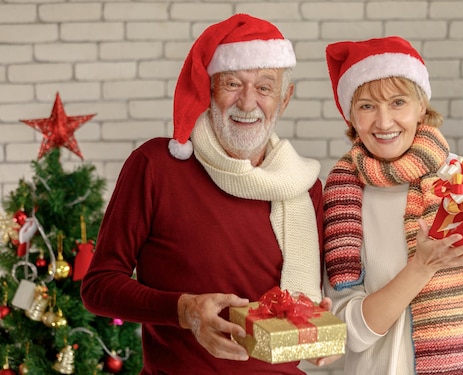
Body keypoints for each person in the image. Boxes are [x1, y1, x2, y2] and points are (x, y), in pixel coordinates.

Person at [81, 14, 338, 374]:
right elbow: (98, 286)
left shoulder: (303, 185)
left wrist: (314, 324)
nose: (248, 103)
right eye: (233, 83)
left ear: (284, 98)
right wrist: (184, 310)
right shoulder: (156, 165)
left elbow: (308, 300)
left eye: (265, 87)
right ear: (208, 88)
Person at [322, 36, 463, 375]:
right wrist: (421, 268)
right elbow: (345, 332)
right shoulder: (344, 199)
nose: (383, 122)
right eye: (367, 106)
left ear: (421, 106)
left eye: (398, 102)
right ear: (350, 115)